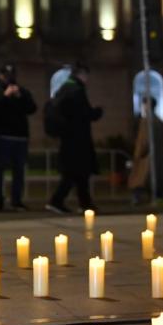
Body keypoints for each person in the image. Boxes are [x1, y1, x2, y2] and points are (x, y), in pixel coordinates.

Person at [46, 63, 103, 213]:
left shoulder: (64, 88)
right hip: (77, 138)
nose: (87, 79)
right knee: (75, 172)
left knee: (78, 173)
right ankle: (58, 201)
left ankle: (84, 203)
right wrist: (97, 112)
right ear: (82, 74)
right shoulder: (76, 90)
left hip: (68, 137)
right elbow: (83, 114)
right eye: (86, 76)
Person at [0, 64, 36, 211]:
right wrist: (5, 96)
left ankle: (17, 200)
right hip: (2, 137)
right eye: (6, 75)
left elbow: (32, 108)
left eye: (11, 75)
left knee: (19, 171)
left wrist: (20, 96)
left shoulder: (22, 91)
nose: (9, 78)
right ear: (0, 75)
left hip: (20, 137)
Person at [128, 97, 163, 203]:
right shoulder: (158, 120)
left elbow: (144, 139)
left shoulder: (146, 120)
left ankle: (138, 197)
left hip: (146, 155)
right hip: (156, 155)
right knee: (151, 178)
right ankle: (157, 196)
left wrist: (139, 152)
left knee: (140, 178)